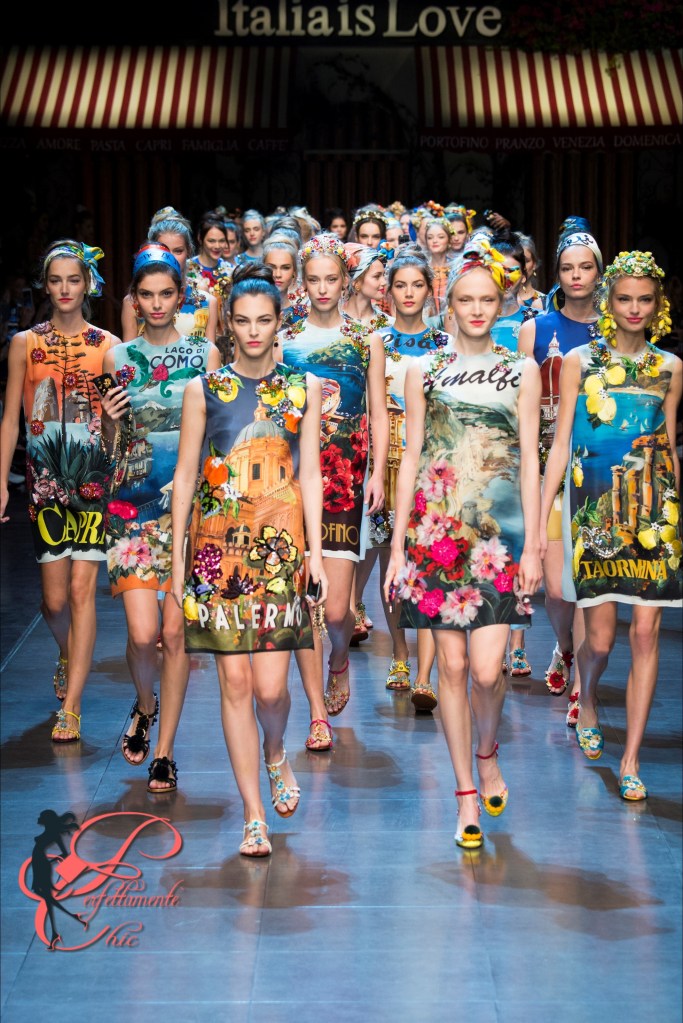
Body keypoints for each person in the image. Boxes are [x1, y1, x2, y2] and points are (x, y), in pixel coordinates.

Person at [384, 240, 542, 849]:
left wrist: (534, 544)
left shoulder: (521, 370)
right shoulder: (423, 370)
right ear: (448, 304)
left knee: (485, 670)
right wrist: (397, 548)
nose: (476, 310)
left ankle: (487, 750)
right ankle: (465, 794)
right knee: (450, 667)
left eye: (487, 300)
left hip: (499, 538)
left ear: (501, 305)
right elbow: (412, 457)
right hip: (436, 533)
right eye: (466, 300)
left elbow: (530, 459)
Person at [170, 262, 327, 855]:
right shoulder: (204, 389)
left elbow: (308, 473)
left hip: (281, 549)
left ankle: (275, 750)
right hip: (217, 553)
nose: (254, 331)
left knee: (270, 692)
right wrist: (179, 557)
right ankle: (252, 814)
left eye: (264, 320)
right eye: (243, 321)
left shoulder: (302, 387)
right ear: (228, 325)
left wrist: (315, 552)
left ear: (279, 321)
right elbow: (186, 476)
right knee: (234, 681)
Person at [540, 250, 681, 800]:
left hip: (654, 513)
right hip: (593, 507)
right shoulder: (580, 361)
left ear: (658, 305)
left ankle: (631, 758)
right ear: (609, 302)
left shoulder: (670, 368)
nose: (634, 308)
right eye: (624, 298)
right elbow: (561, 444)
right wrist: (542, 519)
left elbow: (668, 445)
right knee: (598, 643)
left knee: (645, 634)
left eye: (644, 299)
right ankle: (590, 695)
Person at [99, 244, 220, 789]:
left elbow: (215, 435)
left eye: (166, 293)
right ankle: (145, 706)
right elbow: (110, 447)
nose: (156, 303)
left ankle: (165, 751)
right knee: (142, 633)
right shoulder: (117, 358)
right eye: (146, 294)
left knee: (174, 634)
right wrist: (108, 421)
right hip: (130, 505)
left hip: (187, 512)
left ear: (181, 295)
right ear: (133, 298)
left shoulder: (204, 354)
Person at [0, 239, 119, 741]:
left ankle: (72, 706)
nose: (65, 289)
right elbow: (11, 417)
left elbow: (115, 421)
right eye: (56, 280)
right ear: (45, 286)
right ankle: (68, 652)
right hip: (44, 481)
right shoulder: (25, 343)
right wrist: (1, 481)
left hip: (92, 480)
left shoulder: (108, 345)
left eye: (74, 279)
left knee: (80, 591)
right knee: (52, 603)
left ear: (88, 284)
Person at [279, 233, 388, 747]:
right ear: (303, 283)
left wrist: (379, 472)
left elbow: (377, 410)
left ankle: (339, 658)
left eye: (331, 279)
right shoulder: (284, 340)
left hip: (347, 479)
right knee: (307, 603)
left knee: (338, 610)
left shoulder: (366, 339)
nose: (322, 288)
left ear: (346, 281)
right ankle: (316, 713)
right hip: (294, 480)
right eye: (313, 279)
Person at [354, 246, 453, 709]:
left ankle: (426, 674)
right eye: (400, 285)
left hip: (432, 459)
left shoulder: (446, 343)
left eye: (417, 285)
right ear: (387, 291)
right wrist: (373, 468)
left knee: (429, 562)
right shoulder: (376, 341)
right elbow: (370, 406)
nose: (409, 293)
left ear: (430, 290)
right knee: (389, 559)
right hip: (386, 459)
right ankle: (399, 652)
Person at [518, 228, 603, 723]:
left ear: (598, 273)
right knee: (554, 589)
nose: (576, 276)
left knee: (588, 583)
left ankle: (581, 688)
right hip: (547, 462)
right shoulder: (536, 328)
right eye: (568, 268)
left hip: (594, 466)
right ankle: (565, 648)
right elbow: (524, 402)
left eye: (585, 267)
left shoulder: (615, 330)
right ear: (557, 273)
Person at [121, 207, 218, 344]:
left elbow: (210, 352)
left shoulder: (205, 299)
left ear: (189, 252)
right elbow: (127, 353)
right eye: (164, 250)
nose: (170, 258)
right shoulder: (132, 302)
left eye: (178, 251)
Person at [30, 810, 88, 950]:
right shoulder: (50, 831)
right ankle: (72, 918)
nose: (38, 818)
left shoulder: (54, 834)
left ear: (47, 820)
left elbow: (64, 853)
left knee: (46, 897)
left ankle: (55, 933)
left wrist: (49, 863)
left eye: (41, 816)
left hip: (41, 864)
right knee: (43, 895)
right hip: (38, 863)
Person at [424, 217, 454, 316]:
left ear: (449, 240)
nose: (435, 241)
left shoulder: (456, 269)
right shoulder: (421, 269)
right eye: (430, 237)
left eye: (440, 237)